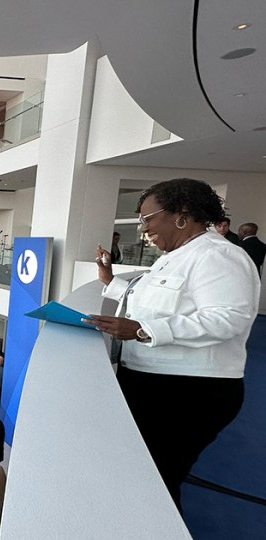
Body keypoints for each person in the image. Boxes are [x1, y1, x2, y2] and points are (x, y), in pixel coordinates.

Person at [88, 178, 259, 511]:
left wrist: (143, 331)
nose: (143, 228)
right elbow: (152, 301)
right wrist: (109, 283)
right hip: (157, 386)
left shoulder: (217, 256)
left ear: (181, 215)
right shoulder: (177, 255)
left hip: (187, 394)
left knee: (155, 485)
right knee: (141, 475)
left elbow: (229, 319)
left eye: (148, 218)